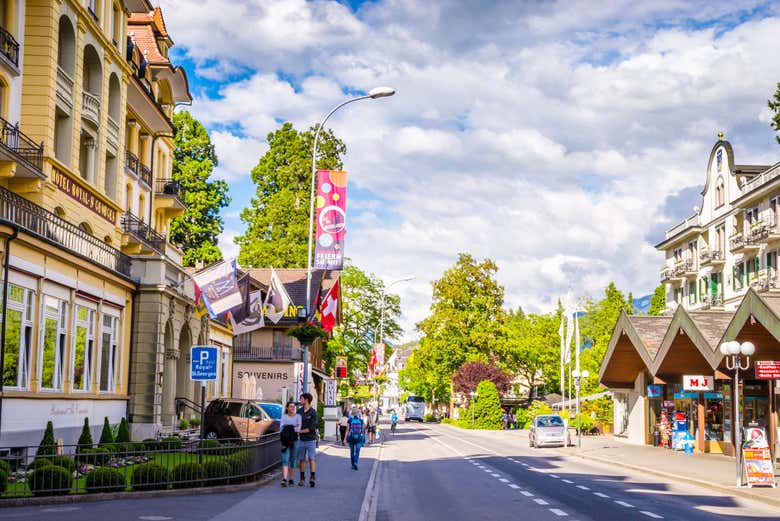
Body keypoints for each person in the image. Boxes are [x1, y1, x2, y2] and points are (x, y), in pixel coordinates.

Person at [297, 393, 318, 487]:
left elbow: (312, 428)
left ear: (306, 400)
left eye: (301, 399)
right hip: (301, 440)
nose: (300, 400)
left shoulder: (313, 412)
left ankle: (312, 477)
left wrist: (299, 431)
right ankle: (302, 479)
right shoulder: (299, 411)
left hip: (311, 440)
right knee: (301, 460)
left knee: (311, 458)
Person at [279, 401, 301, 487]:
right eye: (291, 406)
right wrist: (293, 426)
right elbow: (281, 429)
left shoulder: (298, 416)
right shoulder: (284, 417)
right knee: (285, 459)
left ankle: (291, 478)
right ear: (287, 408)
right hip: (285, 441)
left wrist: (288, 427)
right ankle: (284, 479)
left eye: (294, 407)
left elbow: (298, 429)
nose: (293, 408)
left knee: (293, 460)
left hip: (295, 440)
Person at [347, 405, 364, 470]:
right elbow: (362, 430)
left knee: (352, 451)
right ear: (358, 413)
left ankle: (352, 464)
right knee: (357, 451)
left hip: (351, 437)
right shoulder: (361, 420)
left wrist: (345, 439)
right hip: (359, 437)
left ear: (352, 413)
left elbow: (347, 430)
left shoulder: (350, 420)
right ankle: (356, 462)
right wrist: (363, 438)